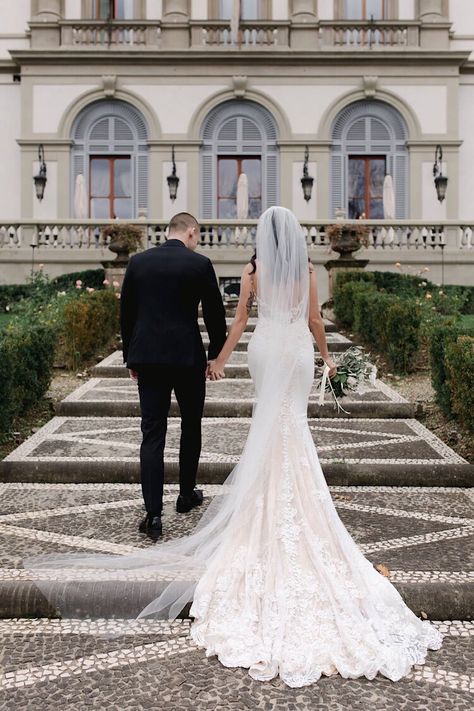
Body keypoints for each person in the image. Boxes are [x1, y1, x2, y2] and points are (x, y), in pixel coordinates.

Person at [23, 207, 443, 689]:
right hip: (295, 355)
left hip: (260, 351)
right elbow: (311, 320)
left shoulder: (249, 270)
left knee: (221, 428)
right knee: (290, 426)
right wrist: (328, 360)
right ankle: (245, 496)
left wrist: (219, 358)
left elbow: (237, 317)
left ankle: (181, 507)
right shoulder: (306, 271)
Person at [120, 211, 227, 539]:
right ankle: (185, 494)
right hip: (187, 359)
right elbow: (214, 315)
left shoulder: (138, 262)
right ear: (191, 232)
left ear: (169, 232)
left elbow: (127, 313)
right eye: (198, 236)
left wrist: (130, 358)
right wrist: (215, 356)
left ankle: (153, 514)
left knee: (152, 434)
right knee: (191, 424)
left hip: (149, 358)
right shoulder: (199, 264)